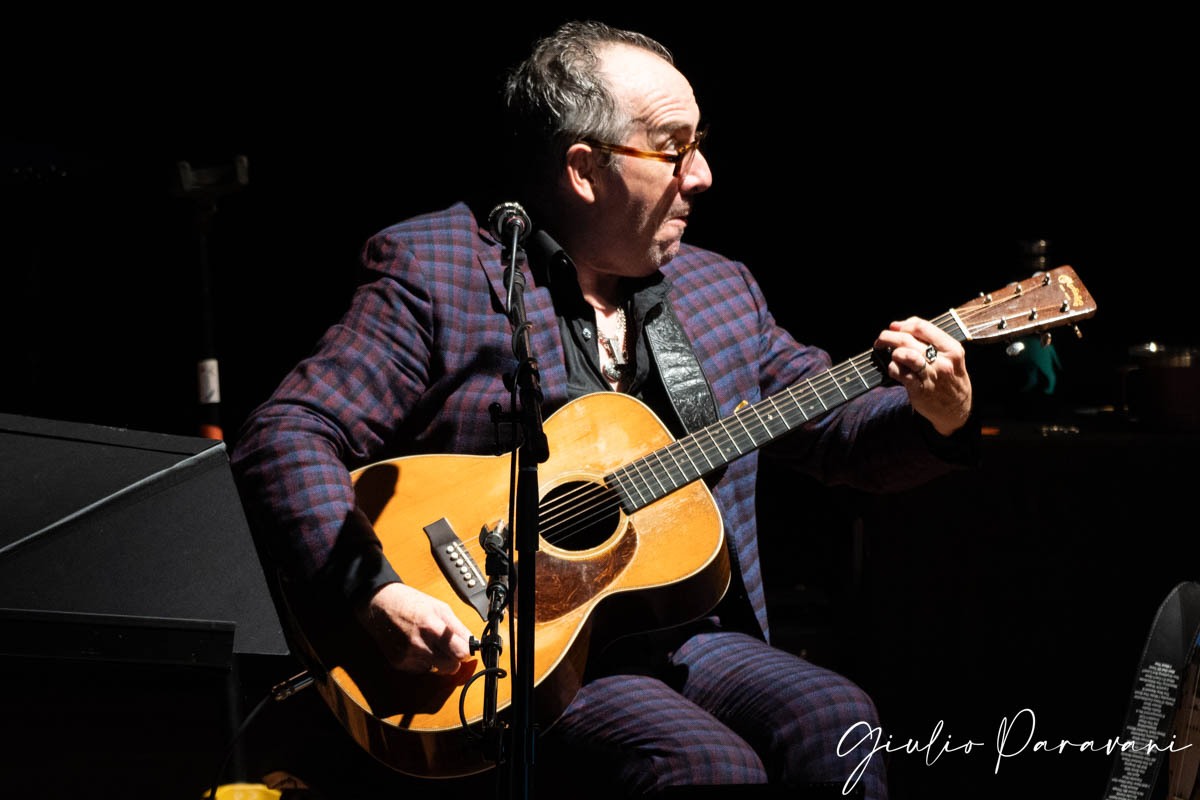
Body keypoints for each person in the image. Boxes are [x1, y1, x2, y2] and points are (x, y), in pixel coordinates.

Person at [230, 19, 976, 799]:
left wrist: (937, 414)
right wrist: (375, 590)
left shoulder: (718, 289)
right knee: (704, 764)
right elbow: (286, 433)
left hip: (685, 635)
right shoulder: (440, 270)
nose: (702, 176)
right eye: (673, 149)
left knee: (836, 718)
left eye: (700, 144)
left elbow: (834, 434)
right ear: (584, 169)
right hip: (507, 653)